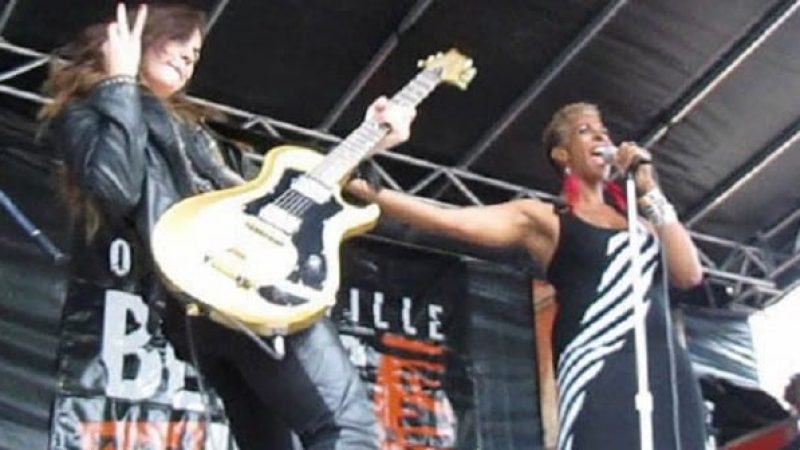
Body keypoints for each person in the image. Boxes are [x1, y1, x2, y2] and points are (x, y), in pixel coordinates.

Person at [40, 3, 415, 449]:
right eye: (178, 41)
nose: (187, 58)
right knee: (345, 429)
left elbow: (278, 191)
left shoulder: (199, 131)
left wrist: (369, 143)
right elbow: (115, 186)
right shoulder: (87, 111)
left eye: (195, 54)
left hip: (225, 293)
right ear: (134, 36)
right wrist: (120, 80)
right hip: (222, 284)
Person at [348, 102, 708, 449]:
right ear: (562, 155)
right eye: (586, 132)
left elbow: (688, 273)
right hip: (599, 365)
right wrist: (369, 192)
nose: (601, 139)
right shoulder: (545, 219)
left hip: (666, 370)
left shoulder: (643, 224)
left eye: (604, 132)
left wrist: (649, 188)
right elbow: (451, 220)